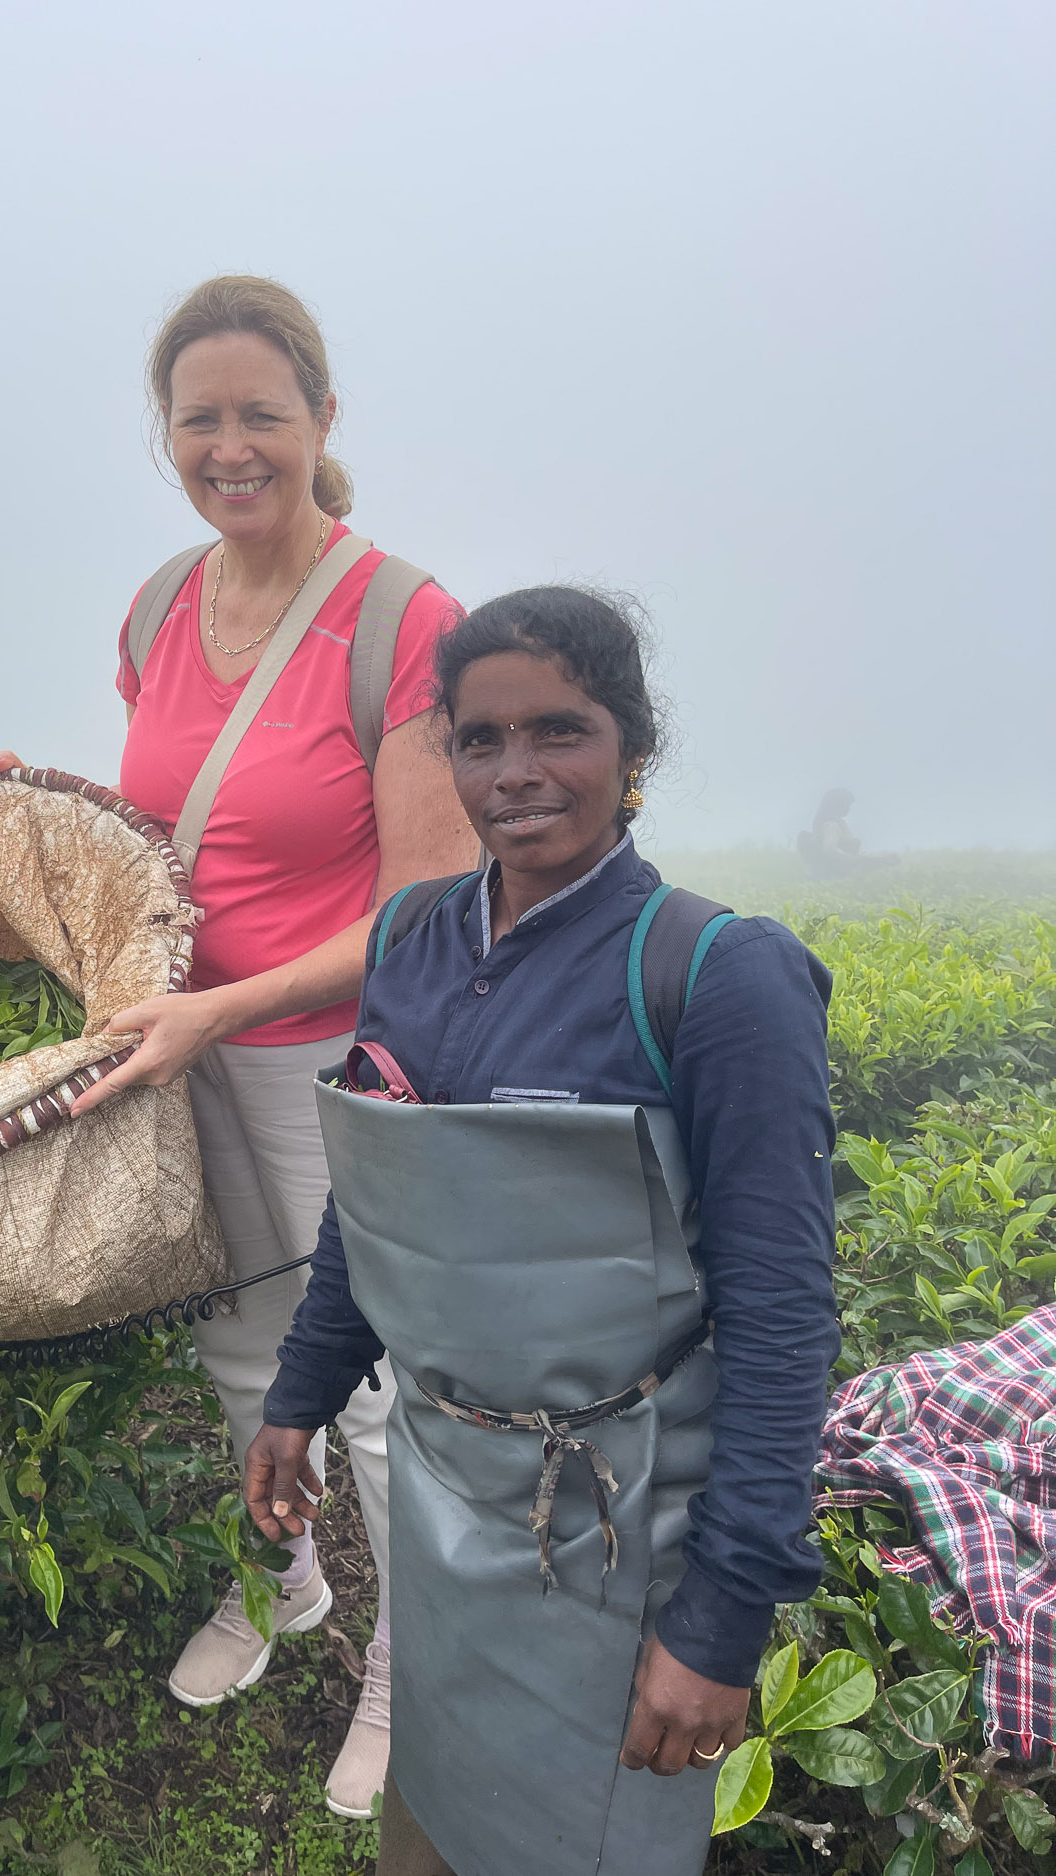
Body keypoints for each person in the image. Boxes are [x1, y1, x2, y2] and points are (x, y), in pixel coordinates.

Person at [242, 586, 841, 1875]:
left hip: (620, 1532)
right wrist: (301, 1392)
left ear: (634, 746)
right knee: (434, 1813)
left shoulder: (717, 974)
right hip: (444, 1494)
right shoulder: (411, 939)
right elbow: (375, 1194)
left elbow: (782, 1318)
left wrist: (721, 1617)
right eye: (480, 739)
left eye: (558, 730)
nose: (515, 772)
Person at [0, 275, 476, 1817]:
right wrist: (47, 809)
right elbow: (179, 833)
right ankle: (283, 1586)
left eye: (262, 412)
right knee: (238, 1352)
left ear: (322, 418)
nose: (230, 446)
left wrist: (226, 1008)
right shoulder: (158, 607)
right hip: (180, 1045)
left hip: (332, 1061)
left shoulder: (401, 620)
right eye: (198, 418)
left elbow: (425, 907)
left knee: (371, 1383)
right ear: (169, 432)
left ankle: (409, 1668)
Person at [796, 787, 898, 879]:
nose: (848, 808)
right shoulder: (831, 825)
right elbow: (830, 850)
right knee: (886, 862)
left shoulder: (836, 823)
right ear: (838, 805)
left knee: (885, 858)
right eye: (846, 805)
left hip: (841, 868)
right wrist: (855, 860)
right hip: (838, 871)